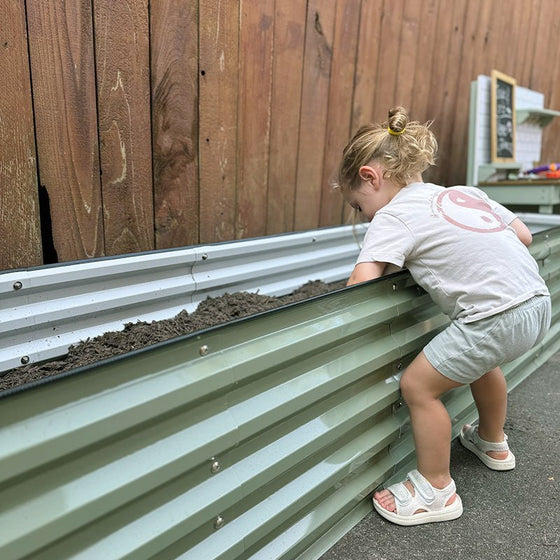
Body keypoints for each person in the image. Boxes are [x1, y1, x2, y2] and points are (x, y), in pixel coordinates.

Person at [337, 106, 551, 526]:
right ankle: (493, 443)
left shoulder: (393, 215)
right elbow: (523, 235)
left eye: (359, 207)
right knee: (481, 361)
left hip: (493, 317)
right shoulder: (463, 193)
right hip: (538, 302)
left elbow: (360, 286)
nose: (365, 218)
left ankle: (435, 490)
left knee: (419, 385)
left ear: (371, 177)